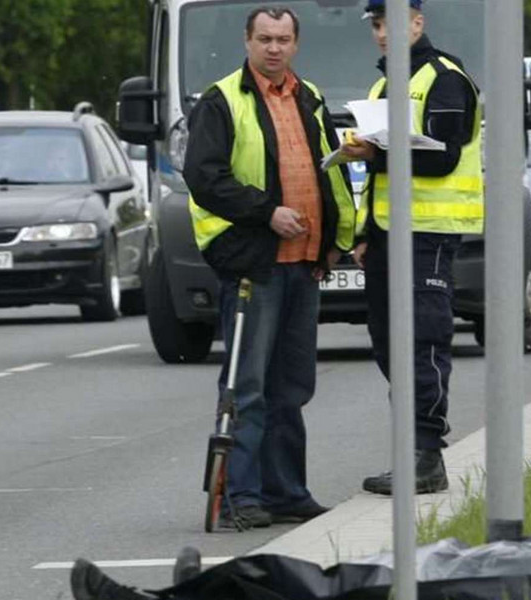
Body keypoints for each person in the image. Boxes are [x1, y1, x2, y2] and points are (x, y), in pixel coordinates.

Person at [183, 5, 357, 529]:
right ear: (247, 41)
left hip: (304, 264)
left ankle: (286, 492)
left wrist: (334, 240)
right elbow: (204, 176)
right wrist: (267, 213)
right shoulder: (222, 101)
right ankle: (240, 496)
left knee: (292, 387)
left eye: (283, 39)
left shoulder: (310, 97)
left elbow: (330, 172)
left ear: (296, 44)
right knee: (248, 386)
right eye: (265, 39)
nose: (274, 48)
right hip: (252, 264)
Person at [338, 0, 483, 495]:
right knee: (388, 343)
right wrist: (363, 234)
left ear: (417, 23)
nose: (383, 33)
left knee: (422, 341)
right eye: (377, 25)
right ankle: (411, 452)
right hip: (385, 233)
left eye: (393, 23)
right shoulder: (383, 85)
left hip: (428, 232)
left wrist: (376, 152)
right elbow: (378, 176)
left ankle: (427, 456)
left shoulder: (444, 79)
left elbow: (442, 159)